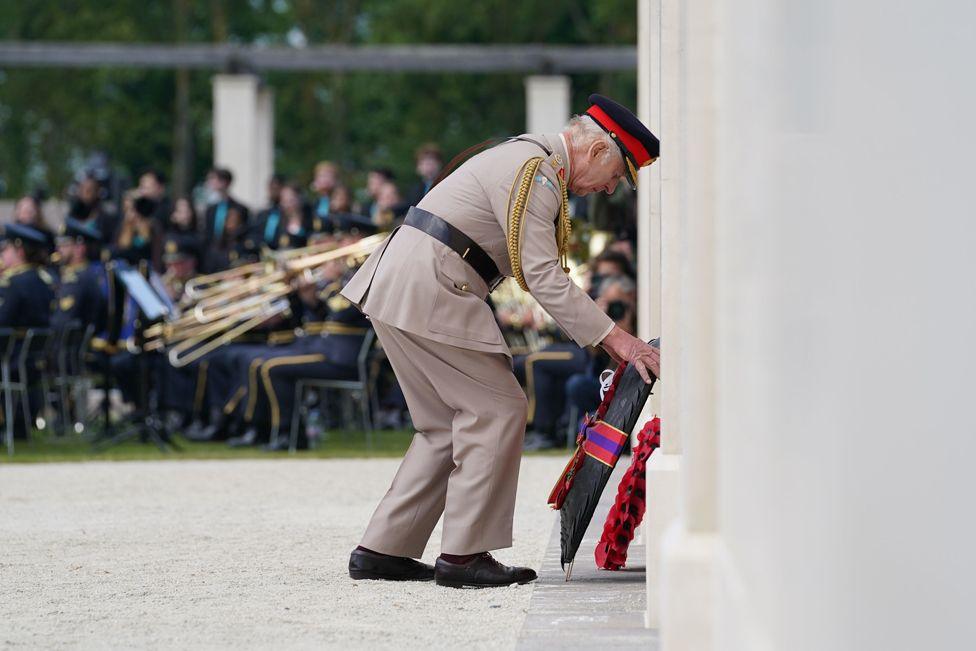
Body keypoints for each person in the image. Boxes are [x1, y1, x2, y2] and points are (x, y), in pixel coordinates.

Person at [341, 94, 660, 588]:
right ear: (597, 151)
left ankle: (383, 549)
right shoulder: (538, 171)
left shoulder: (526, 157)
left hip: (402, 280)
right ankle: (464, 556)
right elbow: (541, 274)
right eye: (616, 175)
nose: (609, 187)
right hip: (432, 284)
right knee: (499, 408)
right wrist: (619, 340)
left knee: (444, 425)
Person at [203, 167, 250, 249]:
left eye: (214, 179)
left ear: (224, 182)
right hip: (212, 253)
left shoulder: (240, 208)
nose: (211, 182)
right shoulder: (211, 209)